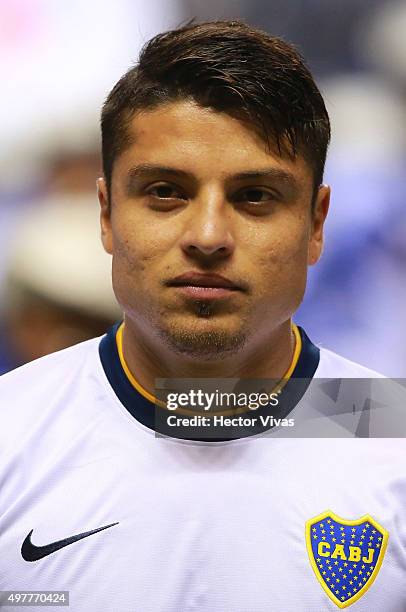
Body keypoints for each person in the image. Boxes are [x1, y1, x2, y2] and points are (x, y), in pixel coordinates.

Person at [0, 20, 405, 611]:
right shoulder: (10, 430)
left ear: (317, 225)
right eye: (165, 191)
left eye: (255, 196)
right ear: (107, 215)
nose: (209, 237)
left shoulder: (391, 428)